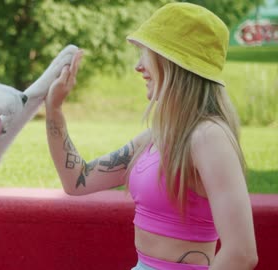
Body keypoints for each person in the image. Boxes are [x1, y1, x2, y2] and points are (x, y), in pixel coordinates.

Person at [45, 3, 258, 270]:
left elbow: (242, 253)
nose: (138, 67)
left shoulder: (208, 137)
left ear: (172, 62)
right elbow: (77, 181)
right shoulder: (155, 138)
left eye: (146, 54)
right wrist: (54, 110)